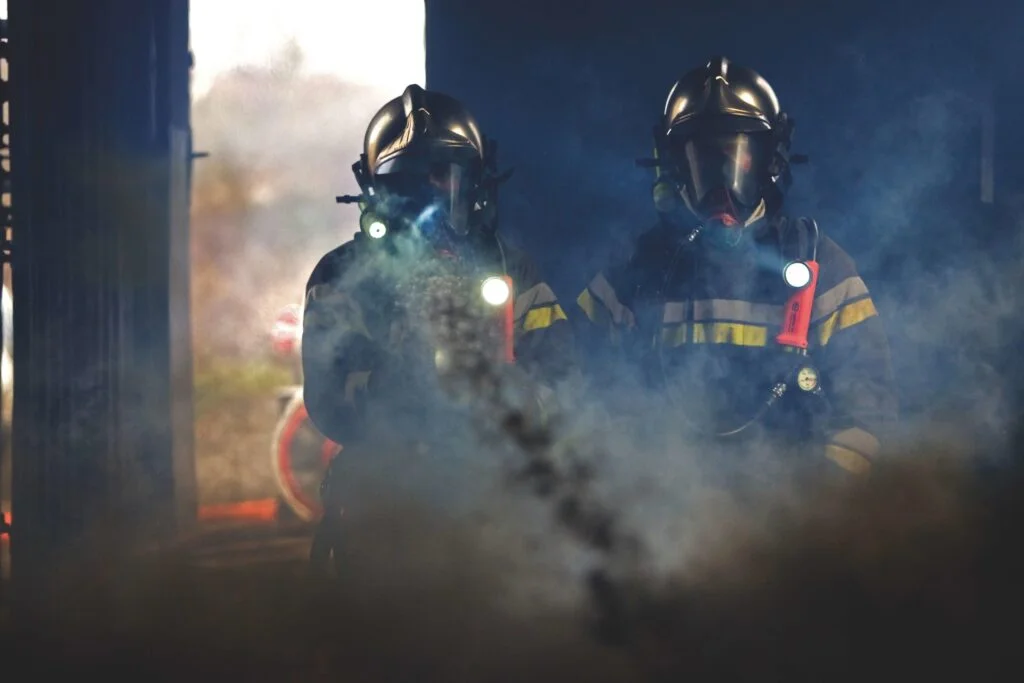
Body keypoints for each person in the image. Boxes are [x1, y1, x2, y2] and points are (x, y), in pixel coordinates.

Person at [575, 57, 897, 478]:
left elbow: (868, 411)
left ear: (770, 162)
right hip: (661, 501)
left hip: (792, 502)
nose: (722, 187)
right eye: (705, 162)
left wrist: (818, 502)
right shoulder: (634, 269)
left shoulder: (819, 264)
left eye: (738, 160)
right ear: (675, 166)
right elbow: (576, 388)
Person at [302, 84, 574, 574]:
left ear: (476, 185)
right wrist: (407, 375)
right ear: (377, 192)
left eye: (443, 178)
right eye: (407, 186)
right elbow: (330, 402)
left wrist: (510, 394)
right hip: (385, 513)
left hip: (495, 510)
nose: (428, 203)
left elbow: (562, 382)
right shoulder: (341, 277)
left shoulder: (512, 270)